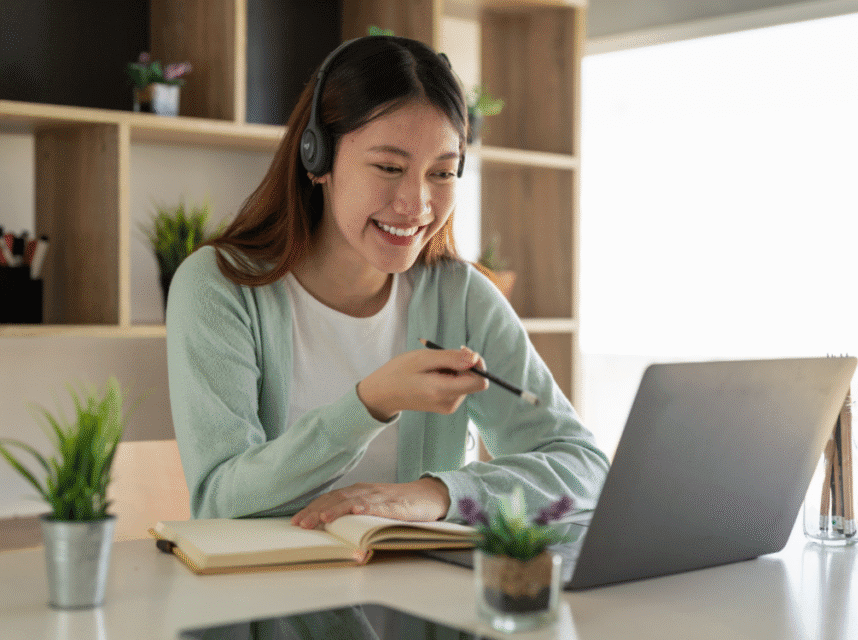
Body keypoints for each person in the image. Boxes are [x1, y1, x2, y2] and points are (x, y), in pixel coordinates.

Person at [166, 35, 609, 529]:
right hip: (268, 595)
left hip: (415, 596)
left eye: (442, 173)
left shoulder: (460, 297)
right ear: (318, 159)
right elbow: (220, 501)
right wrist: (371, 403)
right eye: (389, 168)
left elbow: (585, 468)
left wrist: (439, 494)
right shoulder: (218, 288)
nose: (416, 204)